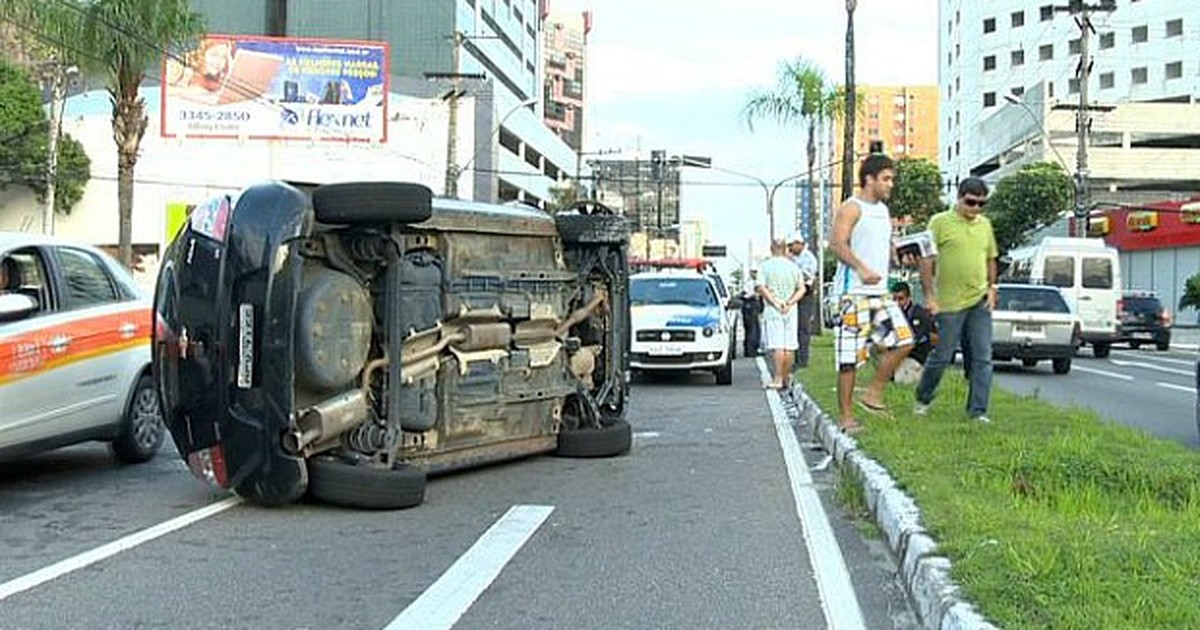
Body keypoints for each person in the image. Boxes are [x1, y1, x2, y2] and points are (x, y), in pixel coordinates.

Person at [828, 154, 913, 433]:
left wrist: (896, 257)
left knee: (904, 341)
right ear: (869, 179)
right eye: (886, 179)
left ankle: (873, 393)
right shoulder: (851, 208)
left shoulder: (884, 212)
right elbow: (837, 245)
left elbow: (880, 245)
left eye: (892, 179)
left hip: (879, 294)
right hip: (853, 293)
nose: (891, 184)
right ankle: (846, 418)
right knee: (848, 361)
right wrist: (861, 268)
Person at [913, 177, 1000, 423]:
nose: (975, 209)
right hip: (949, 303)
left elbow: (991, 258)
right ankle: (923, 397)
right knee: (942, 355)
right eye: (971, 203)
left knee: (983, 357)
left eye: (981, 204)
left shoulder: (985, 225)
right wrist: (930, 295)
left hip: (979, 300)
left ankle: (977, 411)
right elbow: (926, 260)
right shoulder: (939, 223)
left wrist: (993, 288)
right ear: (959, 198)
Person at [756, 240, 806, 389]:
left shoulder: (765, 266)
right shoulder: (793, 267)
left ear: (771, 249)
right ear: (785, 249)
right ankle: (786, 377)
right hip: (791, 310)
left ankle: (777, 378)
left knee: (777, 345)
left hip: (773, 311)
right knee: (789, 346)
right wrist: (790, 302)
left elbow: (761, 287)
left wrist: (775, 302)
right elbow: (801, 288)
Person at [787, 233, 818, 368]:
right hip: (793, 293)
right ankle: (794, 358)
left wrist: (793, 265)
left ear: (799, 243)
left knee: (803, 327)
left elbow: (807, 275)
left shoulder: (808, 258)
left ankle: (802, 359)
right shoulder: (791, 258)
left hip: (805, 293)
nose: (790, 248)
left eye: (791, 245)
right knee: (793, 327)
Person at [892, 281, 937, 365]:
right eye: (894, 299)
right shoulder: (893, 313)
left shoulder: (919, 314)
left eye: (900, 299)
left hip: (916, 357)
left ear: (909, 298)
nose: (897, 303)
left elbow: (915, 340)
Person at [740, 267, 763, 357]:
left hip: (752, 305)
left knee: (754, 329)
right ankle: (750, 350)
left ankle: (751, 349)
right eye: (754, 272)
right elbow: (747, 294)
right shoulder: (750, 283)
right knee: (752, 329)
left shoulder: (754, 282)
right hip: (750, 305)